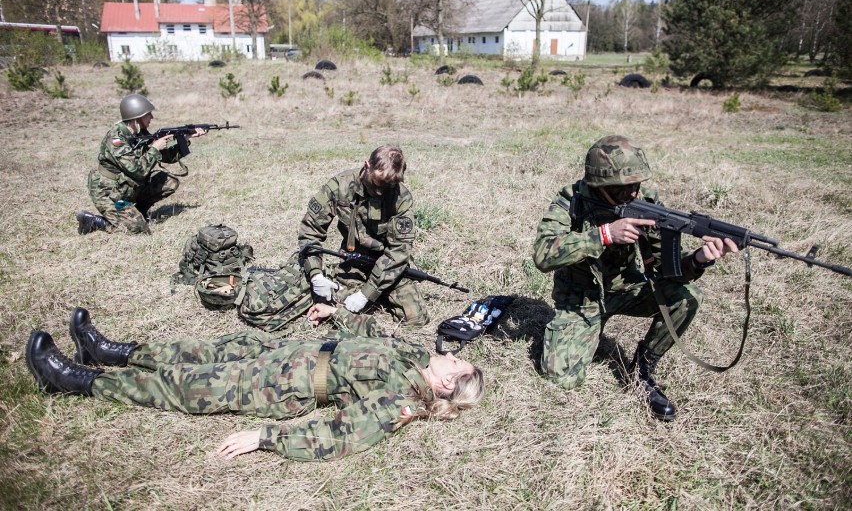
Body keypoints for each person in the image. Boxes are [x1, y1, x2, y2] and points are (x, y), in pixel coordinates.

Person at [25, 305, 483, 461]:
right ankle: (112, 352)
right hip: (292, 349)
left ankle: (76, 380)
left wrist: (265, 437)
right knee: (204, 349)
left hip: (285, 384)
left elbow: (340, 436)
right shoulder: (415, 355)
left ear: (446, 387)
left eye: (457, 366)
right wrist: (337, 314)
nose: (453, 355)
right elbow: (368, 334)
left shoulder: (404, 399)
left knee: (187, 386)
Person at [532, 135, 738, 421]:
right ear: (599, 183)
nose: (633, 193)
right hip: (581, 299)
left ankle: (642, 368)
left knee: (687, 298)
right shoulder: (571, 200)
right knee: (561, 378)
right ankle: (582, 332)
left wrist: (699, 259)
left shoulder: (646, 201)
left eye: (636, 184)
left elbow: (665, 270)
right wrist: (604, 235)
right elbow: (543, 255)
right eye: (624, 187)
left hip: (625, 288)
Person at [299, 144, 429, 328]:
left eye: (389, 185)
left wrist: (366, 293)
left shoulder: (401, 197)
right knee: (333, 302)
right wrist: (315, 274)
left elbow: (399, 250)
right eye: (378, 182)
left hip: (388, 263)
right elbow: (311, 230)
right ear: (367, 165)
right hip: (353, 260)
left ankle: (377, 291)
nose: (381, 191)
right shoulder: (339, 186)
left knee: (416, 319)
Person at [76, 93, 207, 235]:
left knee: (169, 182)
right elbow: (137, 170)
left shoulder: (140, 133)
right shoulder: (116, 139)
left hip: (128, 187)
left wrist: (186, 139)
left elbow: (167, 157)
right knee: (139, 230)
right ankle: (95, 222)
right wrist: (155, 148)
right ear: (136, 117)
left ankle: (137, 211)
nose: (152, 117)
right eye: (148, 114)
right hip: (108, 191)